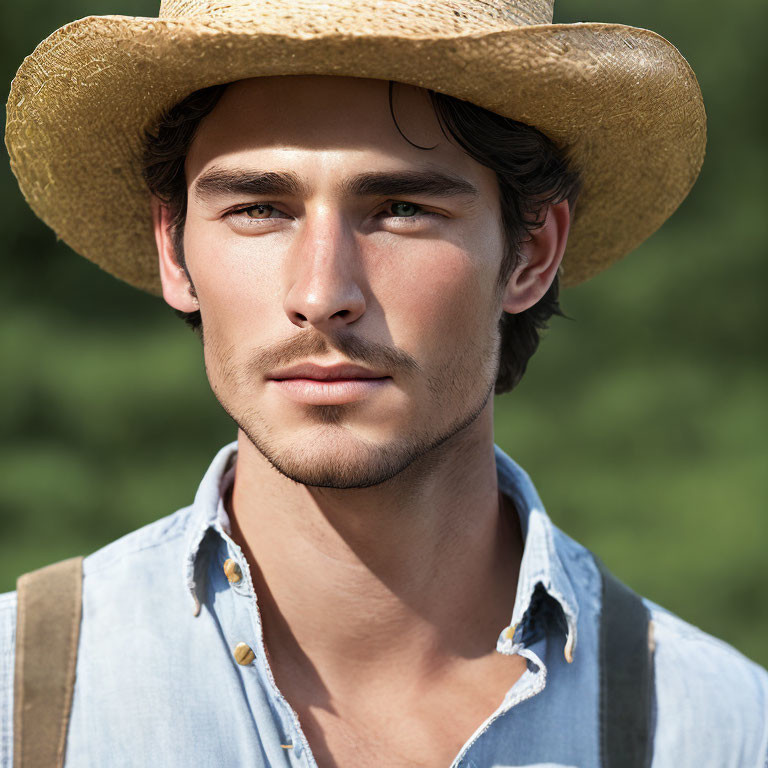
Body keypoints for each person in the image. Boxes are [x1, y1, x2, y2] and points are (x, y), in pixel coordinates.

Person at [2, 0, 766, 766]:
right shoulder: (17, 699)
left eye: (401, 209)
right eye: (260, 208)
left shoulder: (718, 731)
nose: (323, 291)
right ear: (174, 251)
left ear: (532, 252)